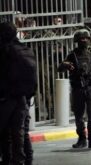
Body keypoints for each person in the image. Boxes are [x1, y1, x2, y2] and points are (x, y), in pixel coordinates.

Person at [58, 29, 91, 149]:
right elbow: (60, 69)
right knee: (79, 116)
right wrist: (65, 65)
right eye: (81, 39)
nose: (84, 40)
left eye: (86, 38)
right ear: (77, 41)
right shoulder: (72, 55)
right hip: (78, 89)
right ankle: (81, 138)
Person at [0, 22, 37, 165]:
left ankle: (8, 160)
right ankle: (24, 160)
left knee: (5, 133)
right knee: (20, 132)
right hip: (23, 98)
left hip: (6, 98)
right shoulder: (25, 49)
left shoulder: (4, 51)